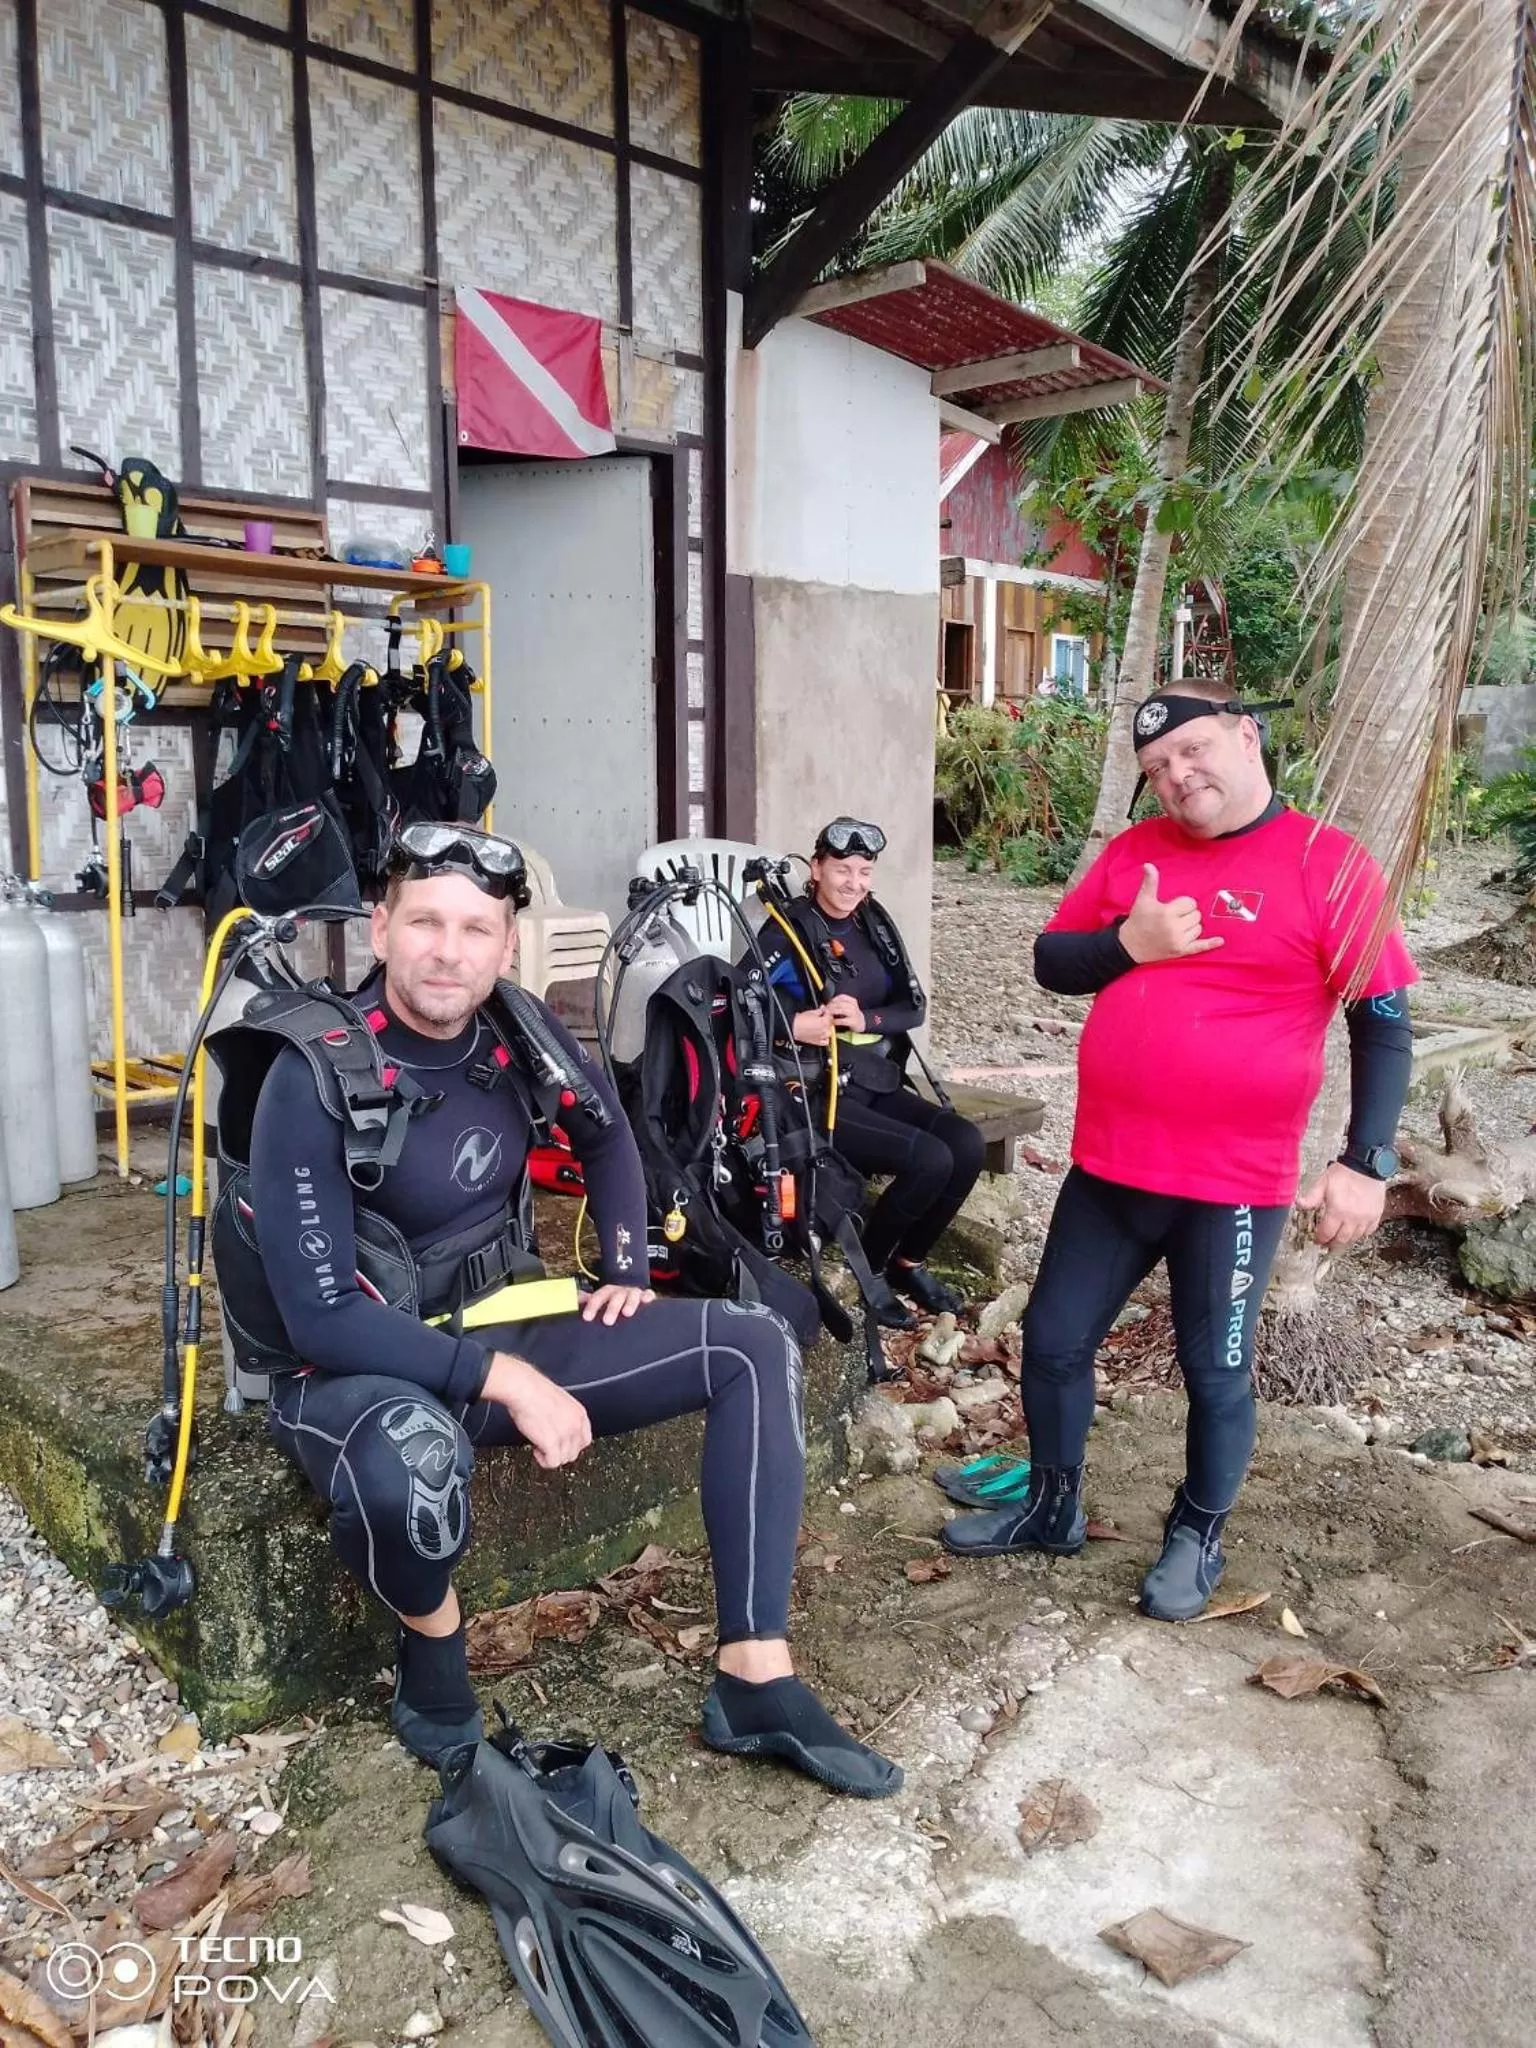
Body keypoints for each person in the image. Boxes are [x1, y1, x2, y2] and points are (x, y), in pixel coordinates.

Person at [246, 823, 900, 1797]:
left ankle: (754, 1677)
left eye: (476, 927)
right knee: (417, 1472)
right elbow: (320, 1316)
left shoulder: (515, 1025)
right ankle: (433, 1647)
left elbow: (609, 1137)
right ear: (380, 930)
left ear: (508, 943)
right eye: (424, 920)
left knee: (754, 1342)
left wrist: (630, 1262)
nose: (448, 948)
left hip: (502, 1318)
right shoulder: (310, 1074)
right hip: (357, 1366)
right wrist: (500, 1377)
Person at [942, 683, 1417, 1619]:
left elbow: (1385, 1022)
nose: (1176, 776)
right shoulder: (1133, 855)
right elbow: (1051, 958)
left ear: (1246, 737)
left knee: (1214, 1370)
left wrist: (1366, 1160)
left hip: (1232, 1187)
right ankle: (1051, 1505)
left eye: (1192, 751)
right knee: (1054, 1340)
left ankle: (1197, 1529)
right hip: (1112, 1167)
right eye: (1157, 768)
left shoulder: (1329, 863)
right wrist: (1130, 942)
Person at [754, 817, 986, 1328]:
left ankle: (908, 1263)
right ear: (816, 868)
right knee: (930, 1160)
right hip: (816, 1092)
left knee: (966, 1145)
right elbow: (739, 1004)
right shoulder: (785, 930)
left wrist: (867, 1019)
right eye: (842, 869)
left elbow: (914, 1005)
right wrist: (793, 1024)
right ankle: (871, 1269)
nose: (854, 882)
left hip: (875, 1079)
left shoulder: (873, 922)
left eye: (864, 871)